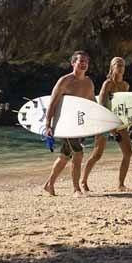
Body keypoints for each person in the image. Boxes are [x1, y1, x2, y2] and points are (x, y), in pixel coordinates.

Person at [42, 51, 96, 196]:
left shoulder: (88, 82)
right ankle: (76, 189)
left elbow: (92, 104)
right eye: (81, 61)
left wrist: (98, 123)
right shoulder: (65, 81)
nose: (84, 64)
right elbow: (52, 104)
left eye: (86, 61)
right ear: (73, 63)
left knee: (65, 155)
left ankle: (49, 184)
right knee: (78, 153)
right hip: (64, 124)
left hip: (79, 125)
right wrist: (48, 125)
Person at [82, 56, 132, 192]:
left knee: (128, 152)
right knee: (97, 155)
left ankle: (121, 184)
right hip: (104, 121)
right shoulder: (108, 84)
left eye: (122, 65)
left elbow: (124, 107)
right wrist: (112, 130)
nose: (121, 67)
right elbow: (102, 106)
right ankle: (83, 181)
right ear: (112, 67)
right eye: (117, 64)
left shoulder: (125, 85)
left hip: (119, 122)